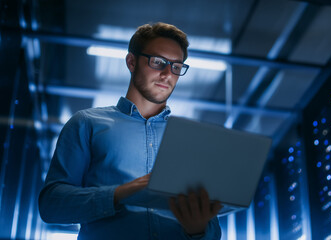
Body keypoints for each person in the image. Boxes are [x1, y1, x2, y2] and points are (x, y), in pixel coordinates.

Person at [38, 22, 222, 240]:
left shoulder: (191, 140)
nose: (167, 74)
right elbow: (51, 205)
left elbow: (213, 231)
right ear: (131, 62)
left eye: (176, 66)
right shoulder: (87, 123)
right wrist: (121, 193)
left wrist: (198, 229)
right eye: (158, 62)